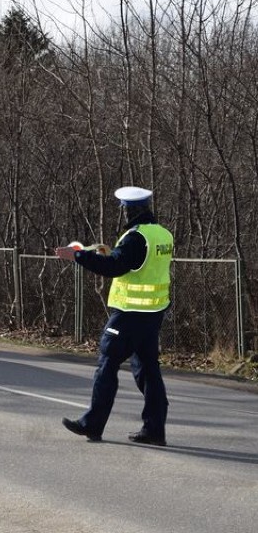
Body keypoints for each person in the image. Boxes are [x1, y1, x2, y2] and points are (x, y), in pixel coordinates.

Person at [54, 186, 173, 446]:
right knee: (148, 370)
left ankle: (92, 424)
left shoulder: (135, 237)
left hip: (130, 313)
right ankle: (154, 429)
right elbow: (139, 265)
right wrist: (110, 255)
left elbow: (116, 267)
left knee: (107, 364)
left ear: (129, 210)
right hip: (153, 312)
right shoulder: (162, 234)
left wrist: (78, 255)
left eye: (124, 209)